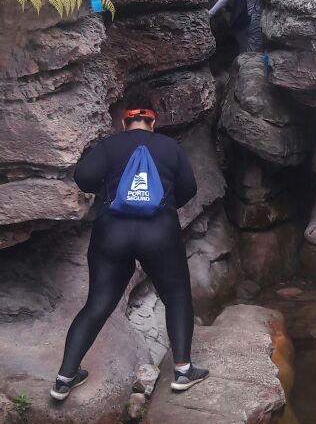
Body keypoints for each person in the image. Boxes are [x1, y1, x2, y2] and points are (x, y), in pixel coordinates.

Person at [50, 93, 209, 402]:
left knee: (97, 303)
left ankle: (65, 378)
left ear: (125, 122)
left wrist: (107, 191)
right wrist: (165, 205)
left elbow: (83, 177)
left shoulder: (109, 146)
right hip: (160, 234)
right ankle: (183, 370)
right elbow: (189, 189)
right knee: (176, 297)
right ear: (153, 120)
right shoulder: (170, 147)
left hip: (112, 233)